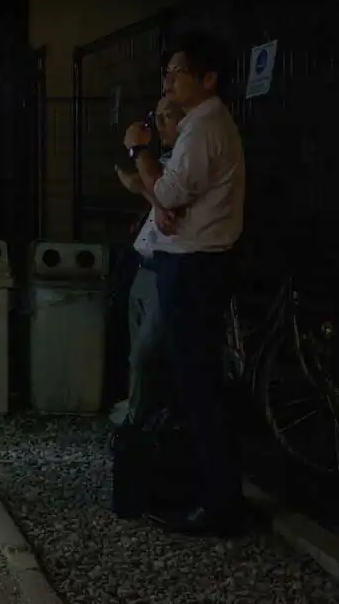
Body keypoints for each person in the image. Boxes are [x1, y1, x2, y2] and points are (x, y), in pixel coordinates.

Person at [123, 31, 246, 535]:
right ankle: (202, 489)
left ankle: (218, 503)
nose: (168, 81)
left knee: (197, 383)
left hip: (196, 266)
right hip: (191, 261)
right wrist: (160, 199)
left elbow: (170, 194)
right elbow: (168, 200)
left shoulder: (203, 129)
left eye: (177, 72)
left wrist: (140, 152)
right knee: (188, 378)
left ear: (208, 78)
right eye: (167, 72)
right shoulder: (200, 125)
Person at [114, 96, 185, 426]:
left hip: (167, 266)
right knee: (138, 352)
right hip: (146, 264)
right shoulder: (167, 159)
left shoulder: (187, 160)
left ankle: (139, 424)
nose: (160, 125)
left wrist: (138, 162)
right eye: (158, 117)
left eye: (168, 117)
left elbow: (162, 198)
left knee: (146, 353)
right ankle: (139, 418)